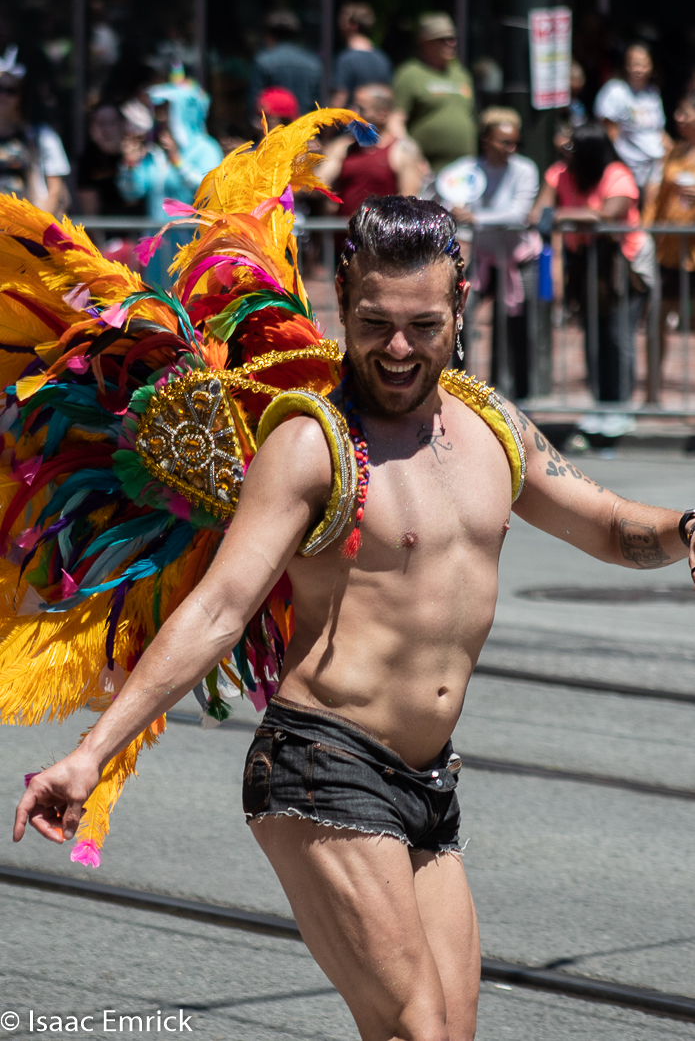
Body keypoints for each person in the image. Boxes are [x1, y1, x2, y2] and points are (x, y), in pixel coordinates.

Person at [12, 185, 695, 1041]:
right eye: (374, 325)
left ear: (460, 302)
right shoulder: (311, 445)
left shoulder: (493, 425)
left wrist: (685, 531)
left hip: (429, 783)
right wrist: (89, 757)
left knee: (446, 1027)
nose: (399, 349)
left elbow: (605, 523)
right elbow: (221, 606)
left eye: (422, 324)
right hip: (320, 768)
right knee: (415, 1027)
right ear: (343, 300)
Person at [531, 121, 655, 408]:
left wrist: (560, 215)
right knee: (592, 336)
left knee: (616, 335)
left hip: (622, 264)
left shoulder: (617, 174)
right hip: (585, 264)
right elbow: (539, 212)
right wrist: (566, 214)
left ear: (591, 152)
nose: (566, 151)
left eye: (574, 147)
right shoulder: (561, 173)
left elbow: (608, 215)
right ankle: (600, 404)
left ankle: (619, 406)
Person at [441, 107, 540, 399]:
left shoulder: (525, 169)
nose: (511, 149)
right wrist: (455, 209)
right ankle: (459, 388)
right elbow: (448, 198)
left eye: (515, 143)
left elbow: (519, 213)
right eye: (504, 142)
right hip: (483, 258)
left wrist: (475, 217)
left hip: (518, 259)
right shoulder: (467, 169)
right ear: (486, 140)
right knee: (461, 318)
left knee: (517, 328)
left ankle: (519, 396)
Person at [117, 73, 223, 283]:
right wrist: (129, 164)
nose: (161, 117)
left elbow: (210, 191)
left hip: (192, 247)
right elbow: (132, 192)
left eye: (167, 109)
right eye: (159, 110)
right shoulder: (154, 151)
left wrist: (177, 161)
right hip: (157, 250)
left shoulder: (207, 148)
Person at [643, 90, 695, 389]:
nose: (678, 118)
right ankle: (652, 389)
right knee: (656, 319)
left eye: (684, 113)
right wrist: (648, 228)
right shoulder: (673, 152)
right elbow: (658, 194)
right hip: (671, 253)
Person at [320, 83, 426, 217]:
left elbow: (409, 203)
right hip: (345, 235)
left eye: (361, 109)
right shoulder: (343, 148)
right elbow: (317, 186)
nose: (353, 113)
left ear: (382, 114)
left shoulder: (402, 150)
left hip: (383, 235)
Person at [392, 12, 476, 172]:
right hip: (426, 169)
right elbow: (395, 122)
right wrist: (413, 158)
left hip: (465, 170)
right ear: (424, 42)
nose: (451, 43)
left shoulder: (461, 74)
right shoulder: (410, 73)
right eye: (442, 39)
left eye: (452, 38)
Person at [0, 44, 69, 216]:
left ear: (22, 95)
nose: (3, 96)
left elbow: (54, 189)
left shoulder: (42, 137)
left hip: (24, 228)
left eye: (11, 90)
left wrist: (38, 231)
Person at [594, 42, 669, 199]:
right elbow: (610, 132)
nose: (638, 69)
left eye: (643, 65)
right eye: (634, 64)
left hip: (654, 167)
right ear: (626, 65)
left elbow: (659, 131)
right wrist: (620, 165)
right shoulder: (615, 91)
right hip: (628, 167)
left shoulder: (652, 93)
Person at [248, 11, 322, 118]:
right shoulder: (313, 62)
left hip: (275, 129)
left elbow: (254, 104)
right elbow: (318, 102)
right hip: (306, 129)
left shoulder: (263, 61)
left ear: (270, 35)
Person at [331, 3, 392, 109]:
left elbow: (340, 98)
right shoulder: (383, 58)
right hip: (374, 123)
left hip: (352, 123)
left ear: (353, 25)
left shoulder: (346, 59)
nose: (339, 24)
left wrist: (327, 122)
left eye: (343, 21)